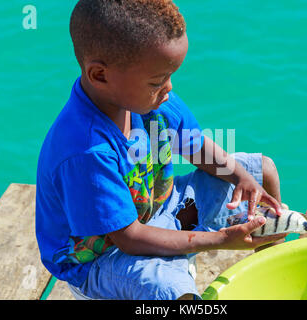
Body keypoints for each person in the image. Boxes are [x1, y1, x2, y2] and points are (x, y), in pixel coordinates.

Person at [35, 0, 286, 300]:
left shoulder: (152, 101)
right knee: (172, 293)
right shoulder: (87, 151)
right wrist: (218, 239)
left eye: (169, 76)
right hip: (105, 259)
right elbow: (130, 239)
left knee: (263, 171)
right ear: (100, 75)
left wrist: (240, 176)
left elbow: (195, 148)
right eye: (157, 81)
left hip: (161, 206)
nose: (168, 88)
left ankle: (274, 274)